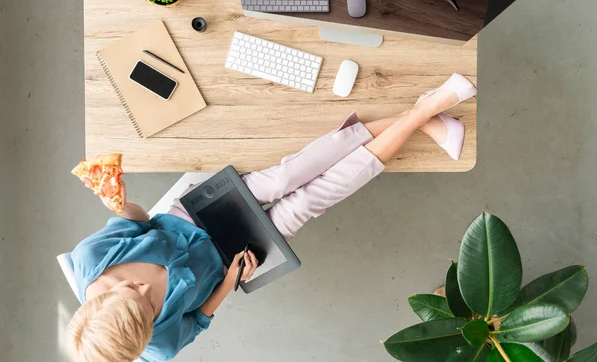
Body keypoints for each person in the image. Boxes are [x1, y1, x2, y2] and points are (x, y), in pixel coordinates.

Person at [65, 73, 477, 362]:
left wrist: (119, 204)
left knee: (289, 175)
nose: (141, 285)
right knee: (315, 197)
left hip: (197, 211)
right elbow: (200, 318)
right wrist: (231, 279)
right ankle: (426, 114)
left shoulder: (91, 260)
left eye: (129, 287)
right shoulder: (158, 346)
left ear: (98, 300)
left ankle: (427, 111)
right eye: (149, 300)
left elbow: (140, 220)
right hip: (236, 255)